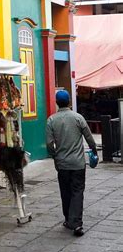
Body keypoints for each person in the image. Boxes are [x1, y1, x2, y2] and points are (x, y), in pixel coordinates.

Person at [46, 89, 98, 237]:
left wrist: (55, 156)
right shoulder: (78, 118)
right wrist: (94, 151)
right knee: (77, 192)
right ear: (69, 101)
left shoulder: (51, 120)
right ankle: (76, 223)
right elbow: (89, 137)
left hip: (62, 164)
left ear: (56, 102)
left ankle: (69, 219)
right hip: (78, 164)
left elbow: (49, 144)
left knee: (65, 192)